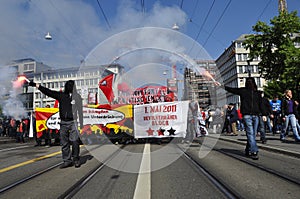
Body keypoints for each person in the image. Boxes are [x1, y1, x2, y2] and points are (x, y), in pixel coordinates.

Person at [29, 80, 83, 168]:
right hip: (63, 122)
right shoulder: (61, 96)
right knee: (64, 142)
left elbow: (80, 111)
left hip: (73, 122)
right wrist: (36, 85)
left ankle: (76, 159)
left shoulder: (77, 97)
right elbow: (49, 92)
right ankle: (67, 160)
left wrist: (81, 123)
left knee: (75, 140)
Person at [218, 77, 267, 160]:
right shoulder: (255, 92)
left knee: (251, 134)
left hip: (249, 115)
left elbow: (232, 90)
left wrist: (221, 86)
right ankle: (254, 151)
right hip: (253, 115)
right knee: (252, 134)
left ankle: (248, 149)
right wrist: (264, 114)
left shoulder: (248, 92)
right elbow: (261, 105)